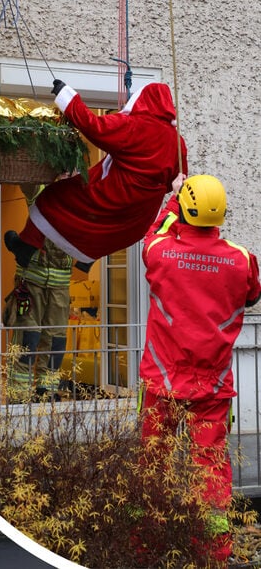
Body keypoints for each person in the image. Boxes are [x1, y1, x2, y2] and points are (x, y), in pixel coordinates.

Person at [138, 174, 261, 563]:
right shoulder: (242, 260)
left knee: (153, 463)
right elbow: (254, 293)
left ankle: (147, 546)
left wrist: (173, 200)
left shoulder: (160, 253)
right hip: (212, 387)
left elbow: (153, 235)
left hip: (162, 383)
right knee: (209, 471)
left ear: (186, 209)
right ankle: (214, 553)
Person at [4, 80, 188, 272]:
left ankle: (26, 245)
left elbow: (93, 126)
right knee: (113, 231)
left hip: (112, 196)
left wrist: (66, 96)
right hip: (141, 214)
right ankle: (86, 258)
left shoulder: (133, 126)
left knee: (53, 199)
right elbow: (175, 181)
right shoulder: (178, 142)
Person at [7, 184, 73, 401]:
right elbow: (29, 182)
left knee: (56, 340)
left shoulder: (81, 201)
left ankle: (47, 389)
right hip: (31, 283)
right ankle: (19, 395)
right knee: (28, 337)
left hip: (60, 287)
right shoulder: (42, 192)